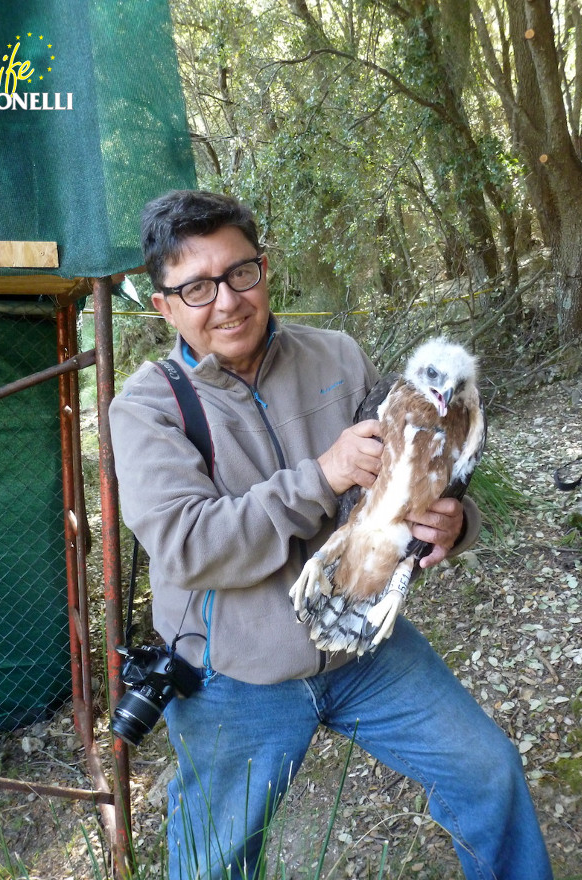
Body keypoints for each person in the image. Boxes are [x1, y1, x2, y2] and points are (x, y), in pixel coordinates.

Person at [109, 190, 553, 880]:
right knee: (211, 864)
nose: (226, 301)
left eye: (239, 273)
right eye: (196, 287)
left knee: (486, 771)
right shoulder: (146, 408)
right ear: (163, 305)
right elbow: (188, 545)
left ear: (264, 268)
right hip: (233, 675)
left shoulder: (336, 358)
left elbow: (414, 472)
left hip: (361, 646)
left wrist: (451, 522)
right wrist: (322, 476)